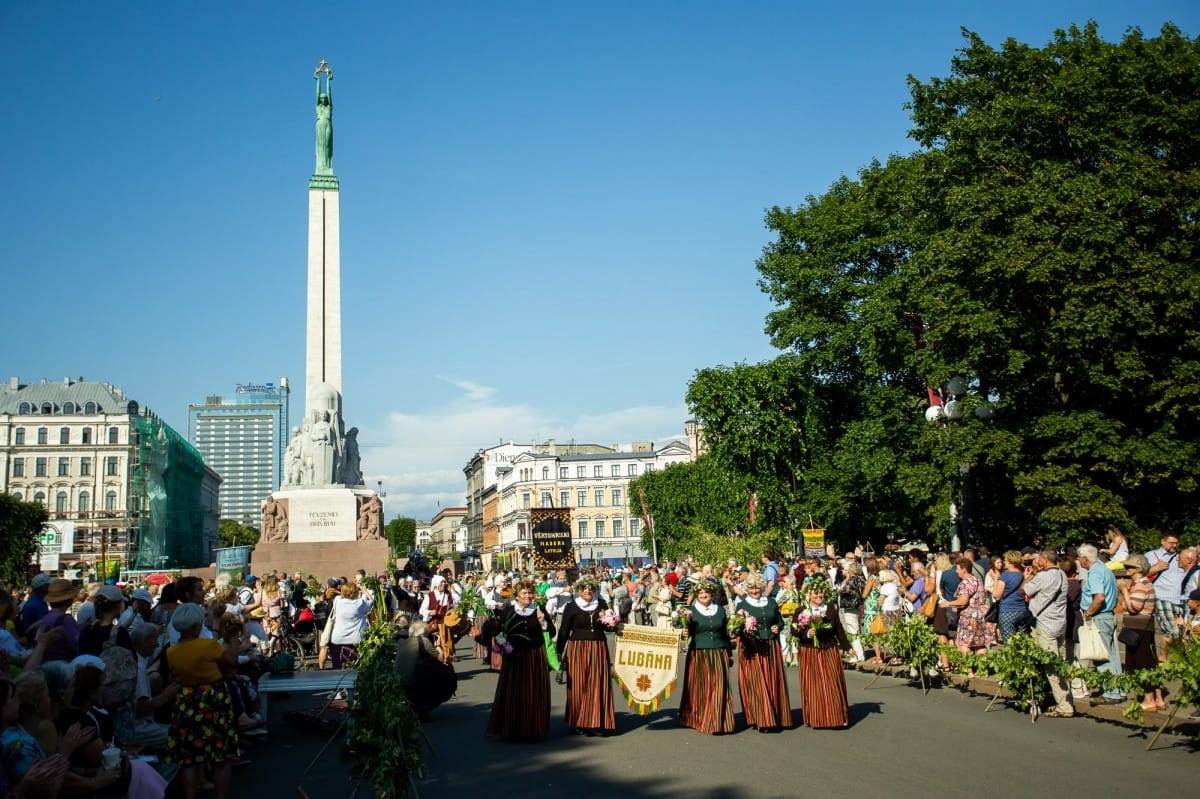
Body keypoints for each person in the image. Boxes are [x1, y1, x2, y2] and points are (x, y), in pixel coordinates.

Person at [166, 602, 240, 799]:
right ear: (196, 626)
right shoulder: (209, 645)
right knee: (221, 756)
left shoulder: (171, 652)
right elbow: (229, 665)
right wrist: (232, 640)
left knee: (189, 757)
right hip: (213, 697)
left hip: (185, 700)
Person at [487, 581, 554, 740]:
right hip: (514, 656)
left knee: (533, 691)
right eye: (524, 593)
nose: (528, 596)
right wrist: (501, 643)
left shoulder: (539, 609)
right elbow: (499, 631)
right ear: (516, 596)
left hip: (534, 655)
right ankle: (511, 728)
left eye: (530, 593)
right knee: (514, 691)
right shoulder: (509, 610)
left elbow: (551, 631)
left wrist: (543, 622)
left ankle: (533, 728)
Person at [555, 576, 616, 736]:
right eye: (584, 588)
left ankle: (597, 721)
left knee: (598, 683)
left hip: (598, 647)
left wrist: (611, 623)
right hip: (577, 649)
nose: (588, 591)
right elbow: (564, 630)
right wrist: (559, 651)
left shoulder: (601, 605)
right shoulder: (571, 607)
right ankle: (579, 721)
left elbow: (608, 628)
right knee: (579, 684)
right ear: (579, 590)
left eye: (591, 588)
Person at [733, 574, 792, 731]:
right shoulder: (743, 605)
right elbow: (736, 629)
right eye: (751, 587)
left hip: (771, 646)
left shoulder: (771, 602)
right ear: (747, 589)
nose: (755, 590)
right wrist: (744, 631)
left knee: (772, 681)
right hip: (752, 649)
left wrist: (777, 627)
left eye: (757, 587)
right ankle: (762, 718)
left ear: (762, 587)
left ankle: (776, 715)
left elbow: (779, 620)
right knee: (758, 683)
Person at [678, 580, 735, 735]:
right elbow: (682, 630)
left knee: (719, 686)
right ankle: (697, 717)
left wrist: (729, 654)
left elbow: (725, 634)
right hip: (698, 653)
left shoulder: (721, 611)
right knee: (700, 687)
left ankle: (717, 720)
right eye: (701, 592)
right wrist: (683, 633)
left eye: (707, 592)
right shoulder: (689, 611)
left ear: (712, 594)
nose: (704, 595)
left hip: (718, 652)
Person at [792, 576, 850, 728]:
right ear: (809, 595)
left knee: (832, 683)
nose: (819, 596)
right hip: (809, 651)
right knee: (814, 685)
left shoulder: (830, 608)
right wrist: (806, 634)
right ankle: (817, 717)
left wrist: (848, 647)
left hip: (828, 648)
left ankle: (836, 717)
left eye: (821, 593)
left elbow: (838, 629)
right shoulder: (801, 610)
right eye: (815, 593)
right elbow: (794, 630)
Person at [1023, 548, 1075, 717]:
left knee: (1051, 667)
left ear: (1045, 560)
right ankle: (1066, 700)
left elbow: (1024, 590)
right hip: (1060, 622)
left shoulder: (1043, 576)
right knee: (1062, 663)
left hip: (1046, 623)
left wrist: (1030, 575)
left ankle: (1064, 706)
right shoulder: (1061, 575)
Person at [1076, 544, 1125, 704]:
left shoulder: (1096, 572)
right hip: (1108, 615)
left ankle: (1111, 693)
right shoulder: (1105, 570)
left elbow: (1099, 597)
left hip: (1099, 616)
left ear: (1084, 558)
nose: (1078, 561)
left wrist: (1089, 612)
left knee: (1101, 656)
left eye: (1079, 557)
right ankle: (1118, 689)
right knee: (1112, 656)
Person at [1116, 554, 1166, 711]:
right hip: (1144, 627)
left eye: (1129, 567)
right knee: (1150, 662)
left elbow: (1134, 608)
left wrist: (1124, 591)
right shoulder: (1145, 584)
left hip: (1138, 628)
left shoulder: (1140, 584)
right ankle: (1158, 699)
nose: (1126, 570)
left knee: (1142, 663)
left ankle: (1149, 699)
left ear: (1138, 569)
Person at [942, 556, 995, 665]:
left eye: (958, 569)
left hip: (969, 618)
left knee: (964, 644)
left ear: (964, 569)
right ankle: (982, 669)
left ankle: (969, 670)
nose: (956, 571)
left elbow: (963, 601)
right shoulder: (977, 580)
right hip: (981, 616)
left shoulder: (965, 583)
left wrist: (949, 603)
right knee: (980, 644)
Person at [1145, 533, 1185, 658]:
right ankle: (1163, 659)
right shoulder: (1152, 555)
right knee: (1172, 631)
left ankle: (1176, 660)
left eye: (1176, 543)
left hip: (1179, 599)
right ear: (1163, 542)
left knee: (1182, 632)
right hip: (1162, 597)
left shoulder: (1180, 557)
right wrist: (1156, 568)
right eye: (1171, 542)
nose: (1174, 545)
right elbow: (1140, 573)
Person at [328, 581, 373, 670]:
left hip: (338, 639)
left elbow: (339, 595)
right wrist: (365, 591)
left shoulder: (337, 601)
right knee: (355, 669)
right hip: (355, 640)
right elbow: (371, 602)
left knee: (337, 668)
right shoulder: (360, 603)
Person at [420, 575, 459, 664]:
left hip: (446, 626)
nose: (443, 584)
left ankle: (446, 666)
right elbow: (422, 610)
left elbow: (453, 606)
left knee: (447, 647)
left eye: (444, 582)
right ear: (436, 584)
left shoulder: (448, 595)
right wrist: (430, 612)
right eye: (441, 582)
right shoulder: (430, 596)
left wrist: (452, 611)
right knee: (437, 649)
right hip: (435, 626)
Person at [992, 551, 1028, 642]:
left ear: (1011, 562)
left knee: (1009, 642)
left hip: (1008, 610)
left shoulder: (1005, 576)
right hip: (1022, 610)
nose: (1004, 562)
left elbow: (996, 596)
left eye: (1005, 560)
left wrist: (996, 580)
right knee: (1022, 641)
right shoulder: (1022, 575)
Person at [836, 562, 866, 664]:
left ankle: (857, 655)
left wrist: (840, 588)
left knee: (852, 632)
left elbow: (843, 590)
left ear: (852, 571)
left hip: (849, 607)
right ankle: (860, 653)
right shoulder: (862, 579)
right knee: (856, 630)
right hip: (857, 606)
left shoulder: (852, 580)